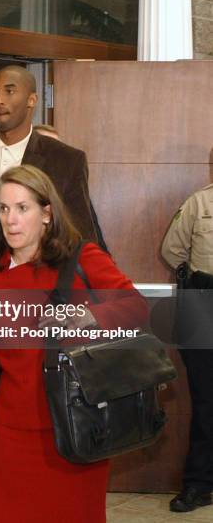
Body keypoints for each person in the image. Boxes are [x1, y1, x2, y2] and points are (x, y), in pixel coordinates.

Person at [0, 164, 147, 522]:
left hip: (77, 423)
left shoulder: (82, 258)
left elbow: (135, 307)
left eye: (22, 208)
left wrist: (86, 319)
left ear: (47, 213)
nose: (10, 220)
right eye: (3, 209)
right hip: (13, 433)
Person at [161, 184, 213, 513]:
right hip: (204, 302)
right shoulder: (199, 202)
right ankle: (199, 484)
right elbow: (172, 251)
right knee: (206, 399)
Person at [33, 123, 109, 253]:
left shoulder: (74, 195)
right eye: (47, 148)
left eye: (58, 149)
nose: (53, 157)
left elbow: (93, 242)